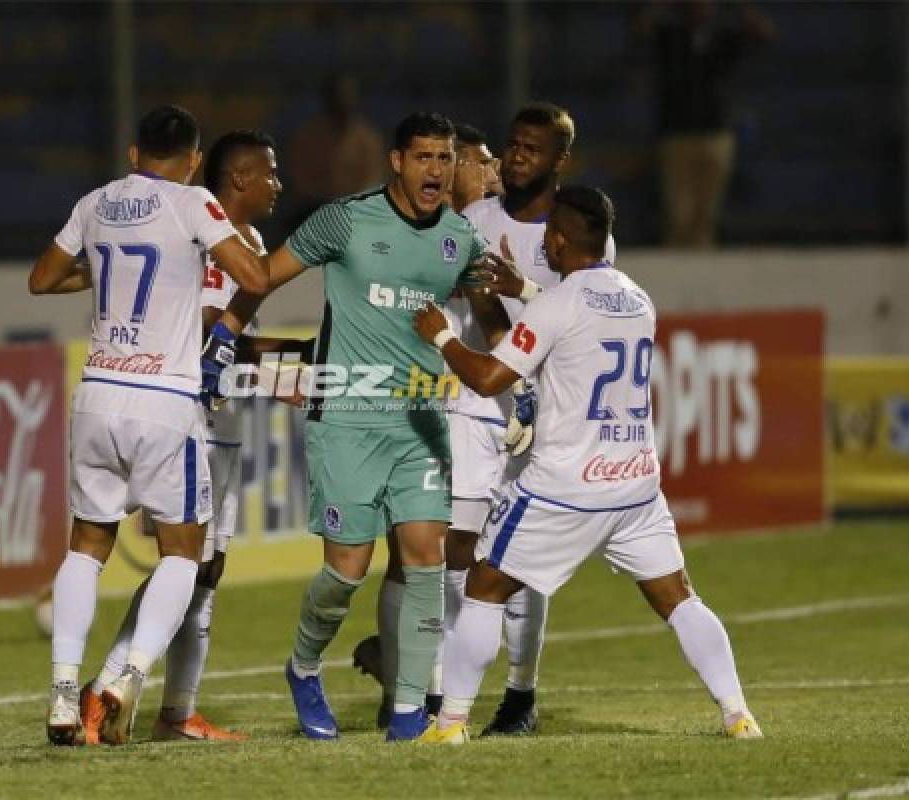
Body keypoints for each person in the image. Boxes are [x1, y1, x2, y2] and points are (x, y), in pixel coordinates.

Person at [217, 111, 535, 742]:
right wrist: (224, 340)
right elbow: (262, 279)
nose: (437, 172)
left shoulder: (459, 240)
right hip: (346, 420)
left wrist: (524, 382)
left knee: (424, 561)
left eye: (445, 160)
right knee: (346, 572)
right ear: (396, 161)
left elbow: (496, 325)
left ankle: (411, 712)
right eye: (424, 159)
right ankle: (304, 668)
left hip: (420, 422)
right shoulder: (345, 219)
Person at [410, 185, 762, 743]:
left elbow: (488, 378)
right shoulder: (638, 298)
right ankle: (738, 713)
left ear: (557, 239)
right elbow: (575, 321)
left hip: (564, 488)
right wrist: (522, 288)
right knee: (679, 598)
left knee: (484, 585)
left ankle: (450, 723)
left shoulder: (557, 304)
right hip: (635, 486)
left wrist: (444, 336)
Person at [355, 103, 616, 736]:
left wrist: (521, 292)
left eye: (532, 149)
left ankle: (520, 695)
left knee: (526, 563)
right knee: (457, 553)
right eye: (512, 146)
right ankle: (438, 693)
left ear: (560, 161)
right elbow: (451, 297)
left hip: (545, 418)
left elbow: (591, 314)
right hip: (474, 406)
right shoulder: (474, 218)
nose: (517, 158)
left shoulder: (580, 231)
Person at [29, 105, 268, 746]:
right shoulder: (194, 204)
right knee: (184, 556)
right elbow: (254, 275)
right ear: (193, 160)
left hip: (98, 390)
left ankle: (59, 693)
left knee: (87, 546)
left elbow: (42, 278)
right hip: (163, 398)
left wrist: (105, 272)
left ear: (135, 154)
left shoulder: (96, 201)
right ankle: (128, 677)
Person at [352, 121, 503, 726]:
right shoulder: (397, 229)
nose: (490, 172)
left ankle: (406, 672)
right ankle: (418, 691)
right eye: (480, 162)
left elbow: (494, 323)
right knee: (427, 554)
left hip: (473, 410)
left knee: (448, 558)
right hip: (424, 410)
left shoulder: (474, 235)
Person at [636, 1, 776, 248]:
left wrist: (739, 7)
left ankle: (703, 253)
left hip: (717, 128)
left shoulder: (724, 37)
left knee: (708, 206)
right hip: (677, 129)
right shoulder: (670, 36)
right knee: (678, 207)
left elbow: (763, 34)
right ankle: (677, 253)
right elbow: (640, 30)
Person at [285, 73, 386, 228]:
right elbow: (300, 179)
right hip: (315, 207)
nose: (343, 102)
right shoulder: (308, 135)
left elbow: (372, 180)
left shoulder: (367, 138)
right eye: (338, 97)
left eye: (348, 97)